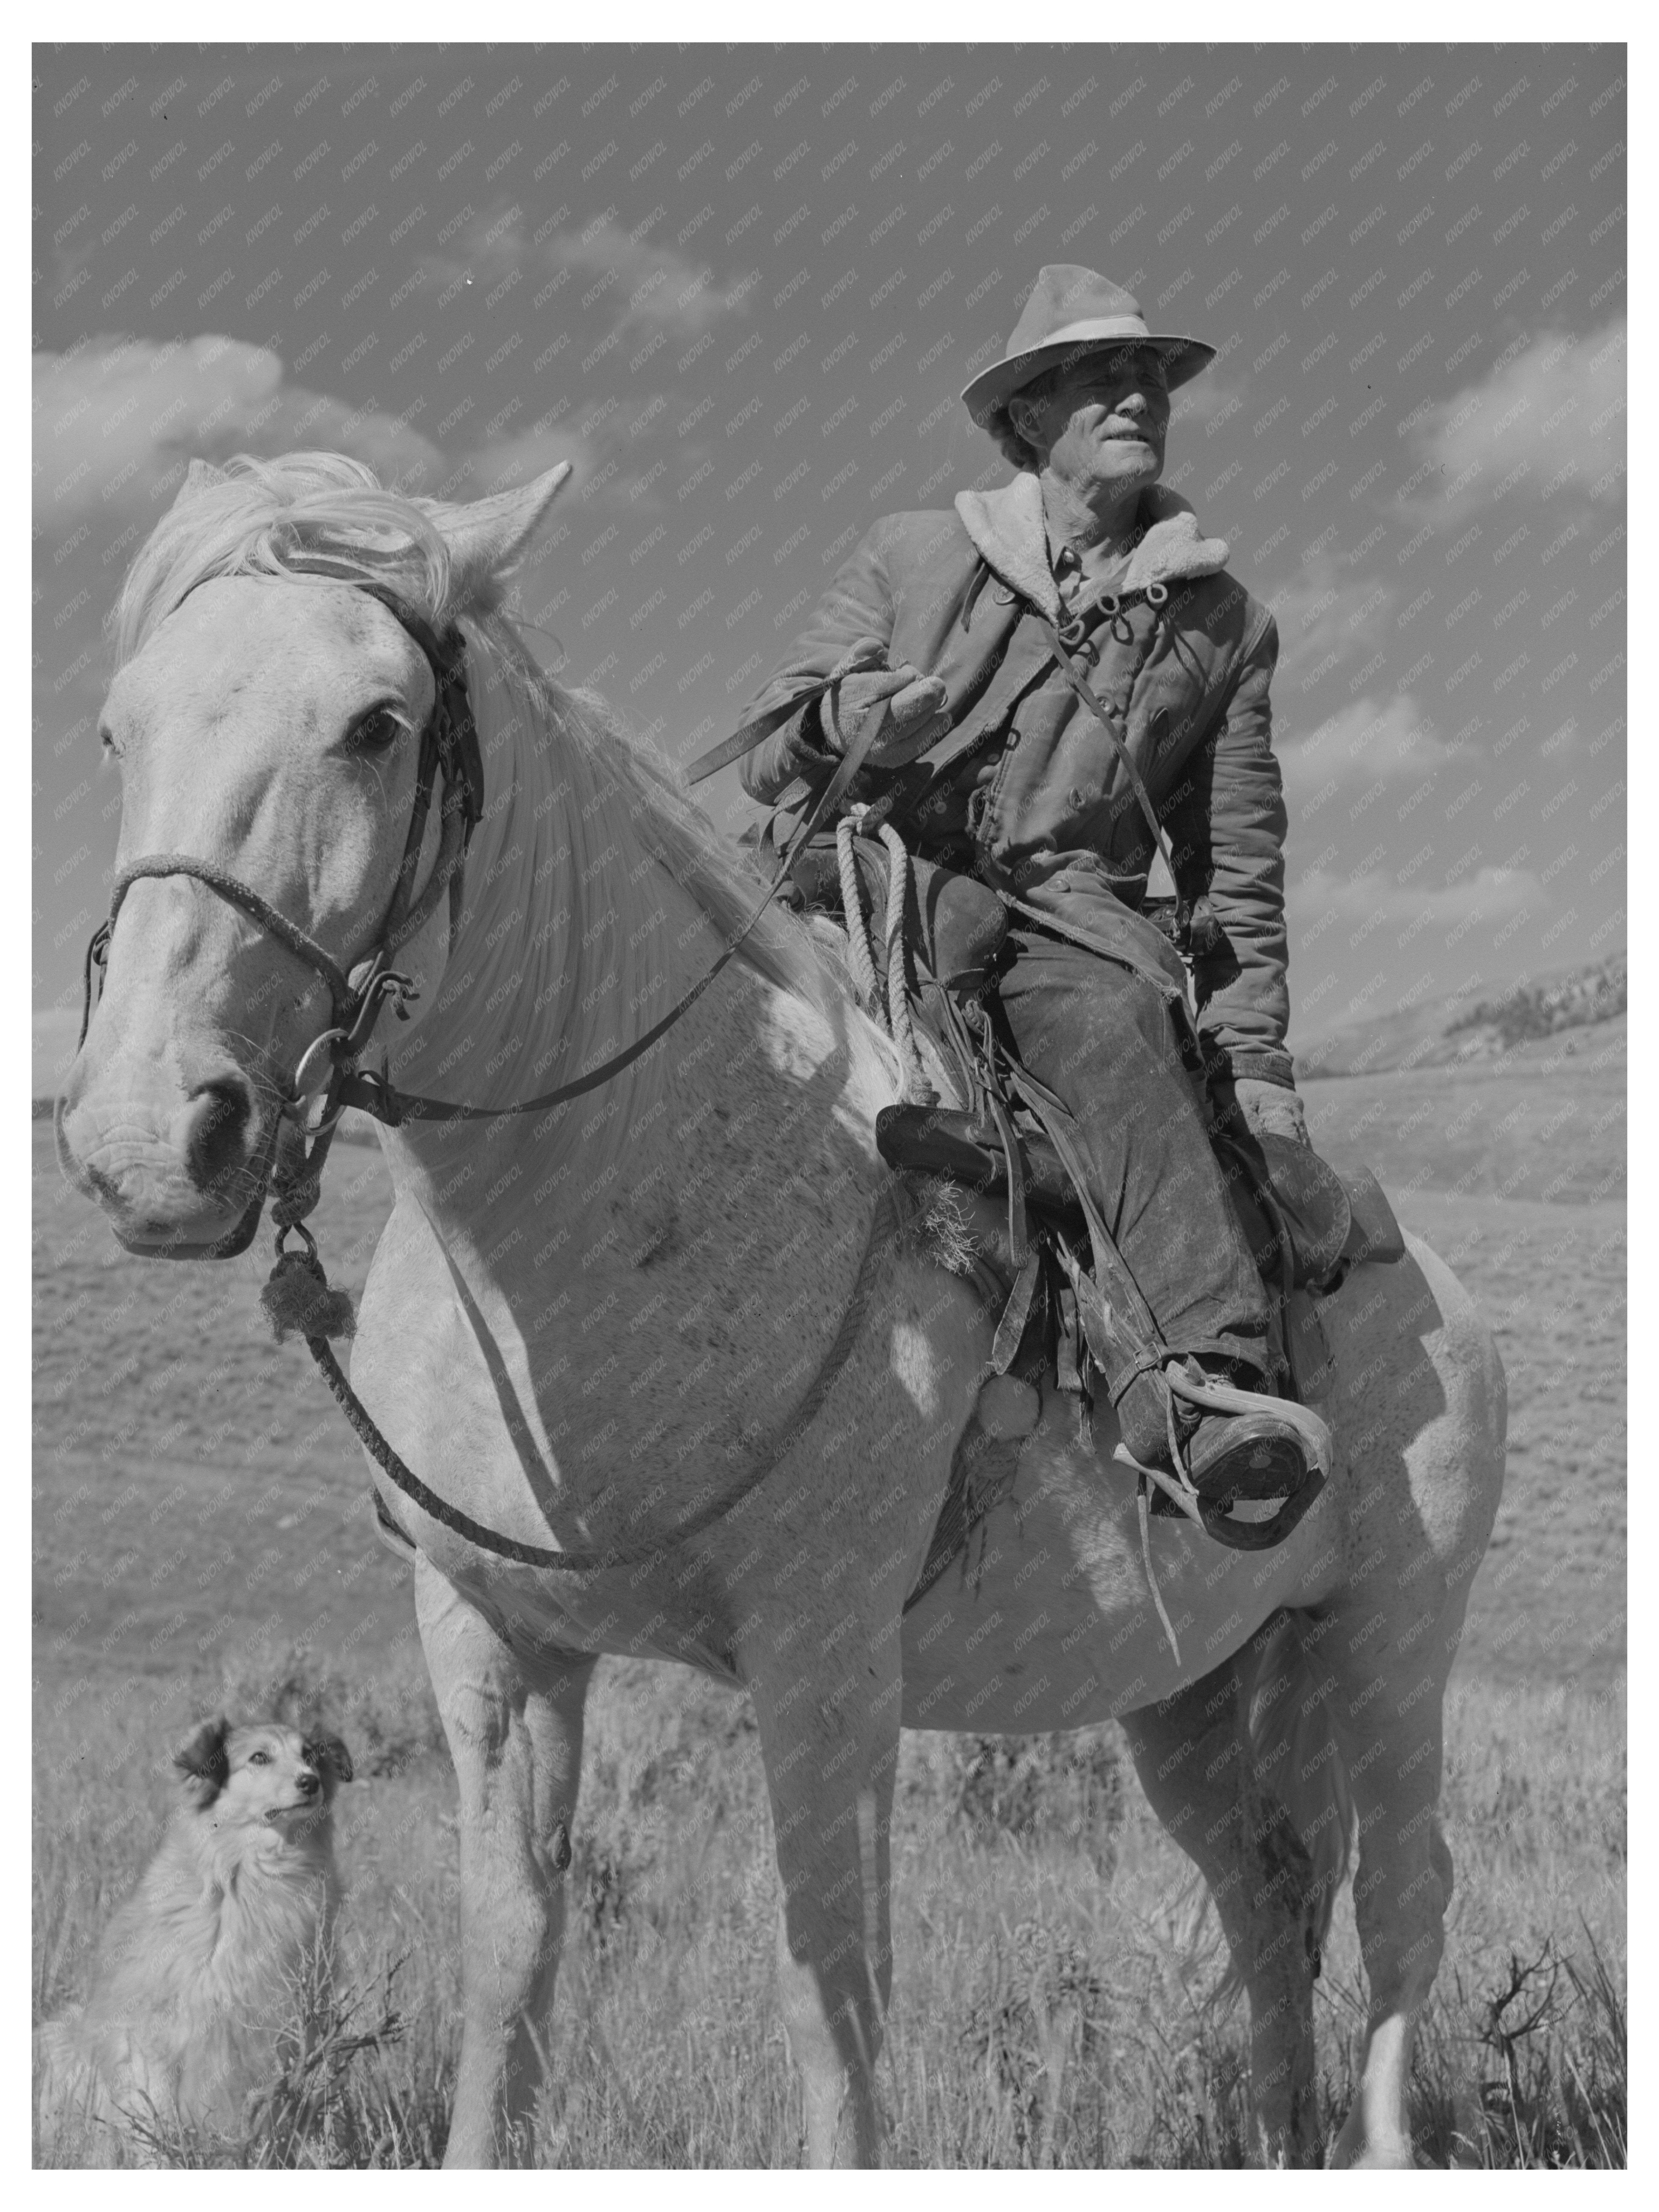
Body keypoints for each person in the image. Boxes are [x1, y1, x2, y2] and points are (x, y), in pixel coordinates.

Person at [737, 265, 1317, 1520]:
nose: (1136, 396)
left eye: (1150, 376)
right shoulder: (910, 550)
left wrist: (1257, 1058)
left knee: (1116, 1034)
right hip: (874, 875)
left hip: (1069, 921)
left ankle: (1197, 1390)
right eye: (1099, 377)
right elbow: (774, 746)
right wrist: (851, 722)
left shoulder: (1225, 623)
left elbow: (1236, 865)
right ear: (1025, 418)